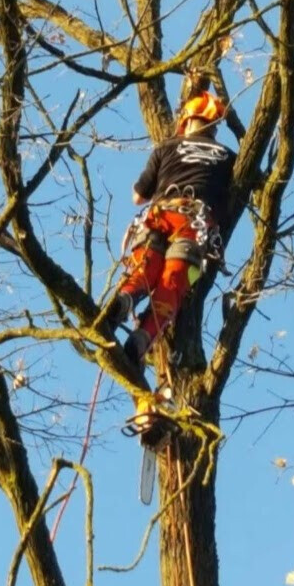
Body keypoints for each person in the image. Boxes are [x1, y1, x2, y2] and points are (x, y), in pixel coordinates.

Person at [110, 84, 236, 384]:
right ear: (214, 127)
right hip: (194, 223)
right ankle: (143, 338)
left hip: (158, 217)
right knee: (172, 284)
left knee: (144, 269)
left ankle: (124, 301)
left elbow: (138, 197)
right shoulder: (229, 158)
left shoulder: (166, 147)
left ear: (186, 119)